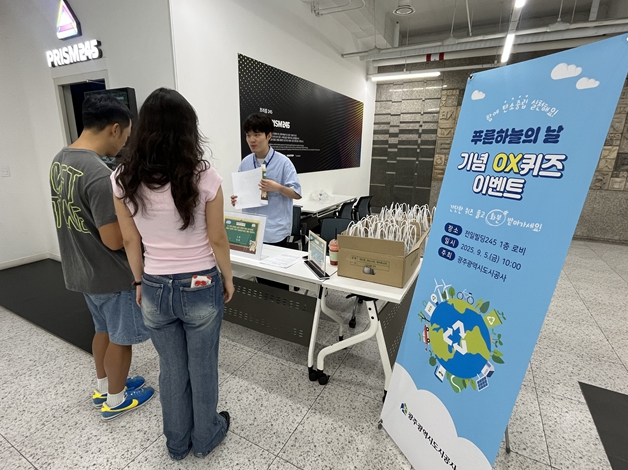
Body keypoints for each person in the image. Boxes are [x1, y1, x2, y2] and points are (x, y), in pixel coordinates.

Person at [112, 88, 233, 460]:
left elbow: (130, 240)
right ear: (188, 129)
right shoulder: (204, 176)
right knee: (202, 366)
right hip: (201, 284)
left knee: (171, 368)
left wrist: (138, 281)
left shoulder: (123, 178)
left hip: (154, 285)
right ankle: (206, 436)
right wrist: (228, 278)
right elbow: (217, 238)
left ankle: (177, 443)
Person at [49, 93, 154, 421]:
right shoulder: (97, 173)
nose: (124, 143)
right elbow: (114, 239)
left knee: (102, 331)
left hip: (83, 269)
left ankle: (104, 386)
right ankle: (117, 399)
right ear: (114, 128)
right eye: (125, 135)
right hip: (111, 274)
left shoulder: (60, 159)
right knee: (121, 339)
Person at [230, 112, 302, 246]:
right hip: (250, 229)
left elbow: (296, 194)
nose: (252, 140)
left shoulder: (283, 163)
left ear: (269, 136)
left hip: (274, 232)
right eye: (248, 135)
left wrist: (277, 187)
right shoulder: (245, 163)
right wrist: (237, 199)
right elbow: (243, 193)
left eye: (257, 135)